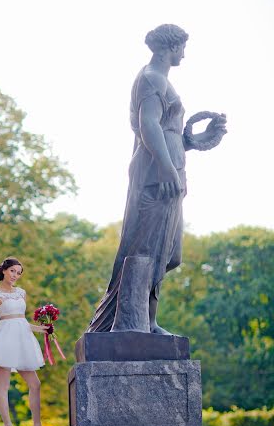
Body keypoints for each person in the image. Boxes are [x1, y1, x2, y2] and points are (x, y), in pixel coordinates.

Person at [88, 24, 227, 334]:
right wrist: (165, 166)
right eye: (182, 48)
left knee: (168, 253)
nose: (184, 54)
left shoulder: (161, 80)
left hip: (170, 169)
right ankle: (134, 323)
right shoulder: (151, 79)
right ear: (170, 48)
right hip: (156, 174)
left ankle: (146, 320)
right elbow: (148, 124)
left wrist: (195, 140)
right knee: (146, 249)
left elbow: (168, 132)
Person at [0, 256, 51, 426]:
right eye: (13, 271)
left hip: (22, 340)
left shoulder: (21, 293)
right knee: (4, 386)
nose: (15, 275)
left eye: (18, 273)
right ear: (4, 270)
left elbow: (21, 320)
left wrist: (40, 328)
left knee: (35, 384)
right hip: (4, 341)